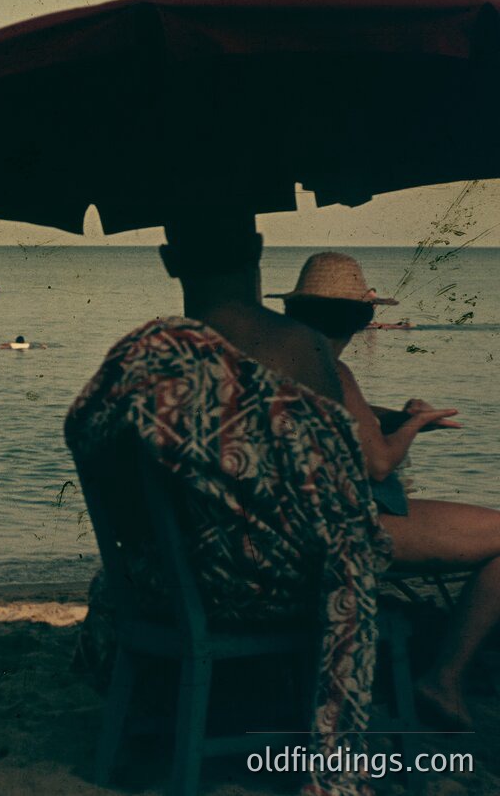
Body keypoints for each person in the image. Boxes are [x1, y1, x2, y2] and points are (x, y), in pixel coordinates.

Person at [66, 212, 388, 796]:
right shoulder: (305, 349)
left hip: (163, 589)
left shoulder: (141, 360)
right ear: (258, 251)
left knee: (105, 583)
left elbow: (89, 442)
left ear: (169, 261)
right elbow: (336, 489)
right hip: (276, 592)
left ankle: (152, 708)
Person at [272, 251, 500, 729]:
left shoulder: (282, 365)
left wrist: (393, 419)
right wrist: (413, 425)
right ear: (362, 317)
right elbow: (377, 463)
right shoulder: (334, 370)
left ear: (294, 312)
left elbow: (349, 422)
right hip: (346, 532)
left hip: (293, 528)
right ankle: (443, 678)